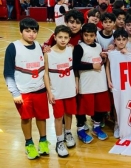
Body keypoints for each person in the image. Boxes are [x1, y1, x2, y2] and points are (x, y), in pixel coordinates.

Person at [3, 18, 49, 160]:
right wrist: (15, 92)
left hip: (40, 89)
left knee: (42, 117)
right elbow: (8, 72)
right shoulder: (13, 47)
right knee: (26, 118)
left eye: (34, 31)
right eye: (28, 31)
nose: (31, 34)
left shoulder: (39, 46)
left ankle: (43, 141)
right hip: (23, 92)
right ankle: (29, 144)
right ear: (21, 31)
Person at [73, 23, 111, 143]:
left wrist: (103, 59)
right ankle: (80, 130)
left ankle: (96, 127)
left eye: (91, 35)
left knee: (100, 108)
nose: (88, 38)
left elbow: (98, 62)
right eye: (86, 35)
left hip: (100, 83)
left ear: (95, 35)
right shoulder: (79, 47)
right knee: (82, 109)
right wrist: (91, 66)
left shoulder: (99, 46)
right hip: (86, 84)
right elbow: (75, 65)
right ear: (82, 35)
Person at [43, 25, 77, 158]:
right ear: (55, 37)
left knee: (69, 114)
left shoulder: (71, 49)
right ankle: (59, 141)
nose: (63, 40)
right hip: (56, 91)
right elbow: (45, 74)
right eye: (60, 37)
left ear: (69, 39)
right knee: (58, 117)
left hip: (69, 89)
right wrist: (49, 92)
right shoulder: (48, 53)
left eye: (66, 37)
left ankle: (68, 133)